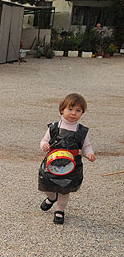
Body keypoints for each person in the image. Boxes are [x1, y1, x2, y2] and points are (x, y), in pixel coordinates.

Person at [38, 93, 96, 224]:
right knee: (47, 186)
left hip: (71, 166)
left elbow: (86, 146)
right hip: (51, 164)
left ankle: (60, 210)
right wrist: (44, 145)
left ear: (82, 113)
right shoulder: (53, 127)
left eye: (78, 110)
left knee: (64, 190)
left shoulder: (81, 131)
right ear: (62, 109)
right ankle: (52, 198)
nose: (73, 113)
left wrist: (89, 154)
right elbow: (44, 141)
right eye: (70, 109)